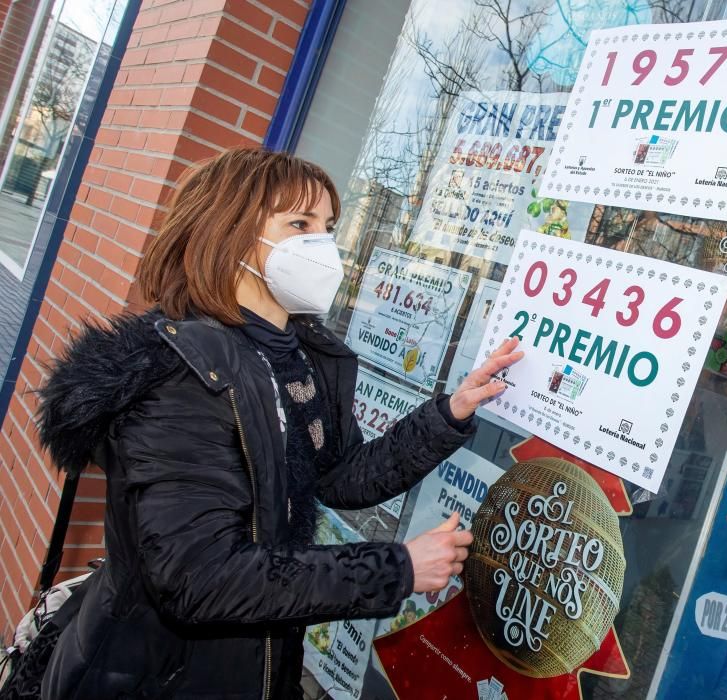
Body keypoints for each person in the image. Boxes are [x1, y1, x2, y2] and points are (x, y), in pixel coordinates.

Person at [34, 147, 522, 699]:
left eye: (328, 227)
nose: (323, 245)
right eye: (300, 224)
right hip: (156, 680)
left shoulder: (299, 356)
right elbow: (201, 577)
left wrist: (450, 410)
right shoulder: (180, 375)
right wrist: (397, 568)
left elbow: (340, 478)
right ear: (232, 233)